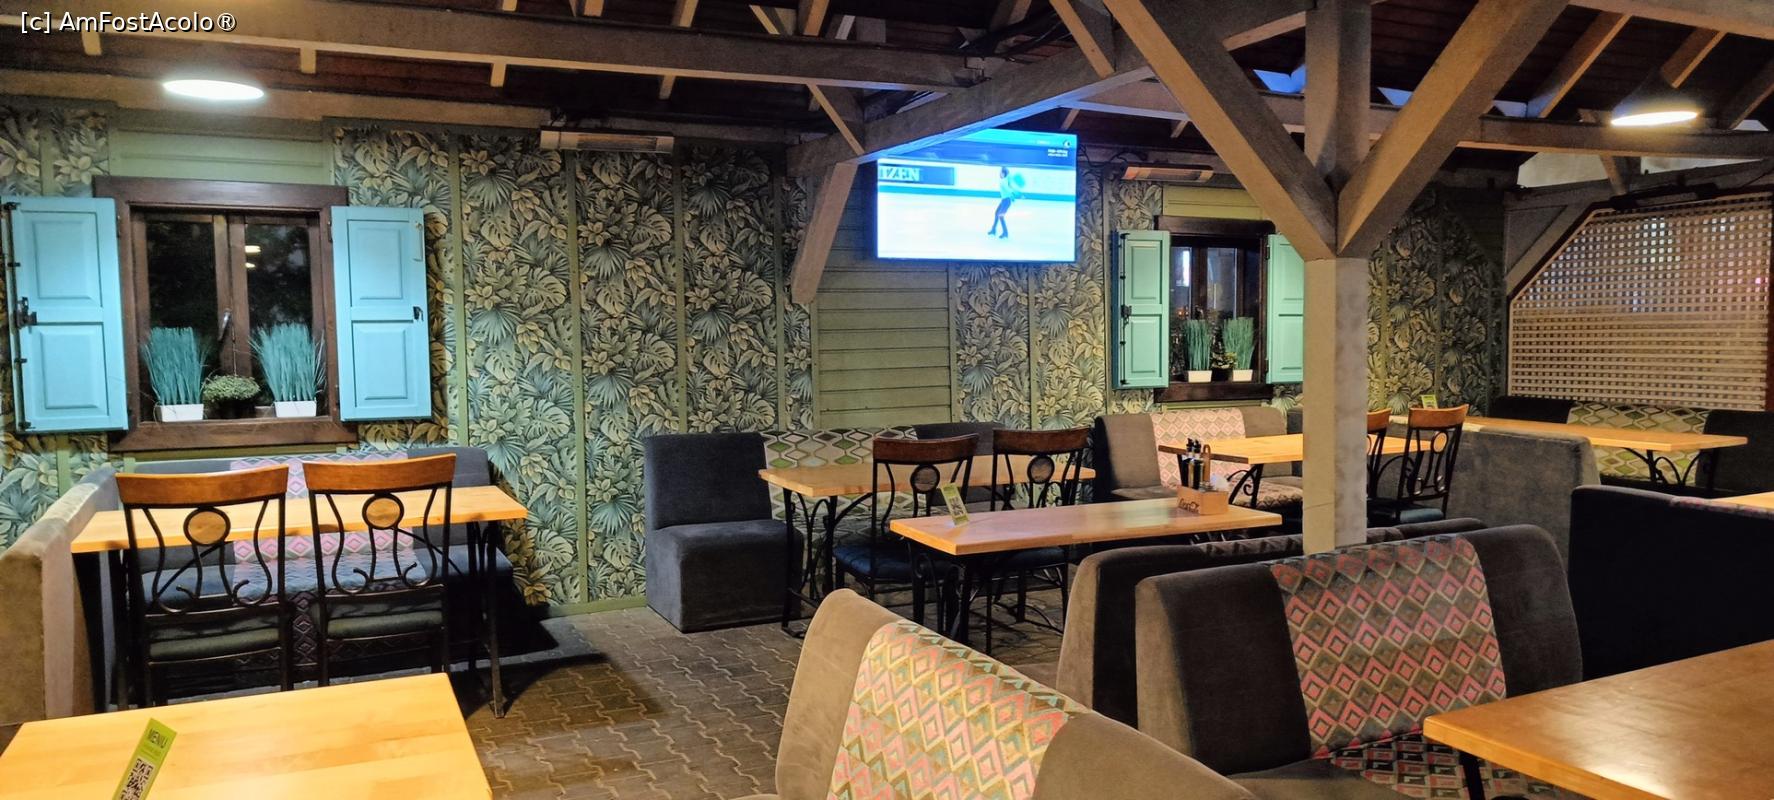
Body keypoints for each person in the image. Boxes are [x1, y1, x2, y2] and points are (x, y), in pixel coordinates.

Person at [988, 167, 1025, 239]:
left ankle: (1005, 233)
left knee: (1000, 216)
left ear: (1003, 173)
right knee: (997, 213)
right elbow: (1010, 189)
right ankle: (993, 230)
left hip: (1006, 201)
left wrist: (1016, 195)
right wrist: (1016, 195)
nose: (999, 174)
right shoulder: (1006, 180)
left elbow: (1009, 190)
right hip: (1004, 201)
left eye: (1001, 172)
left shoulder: (1003, 181)